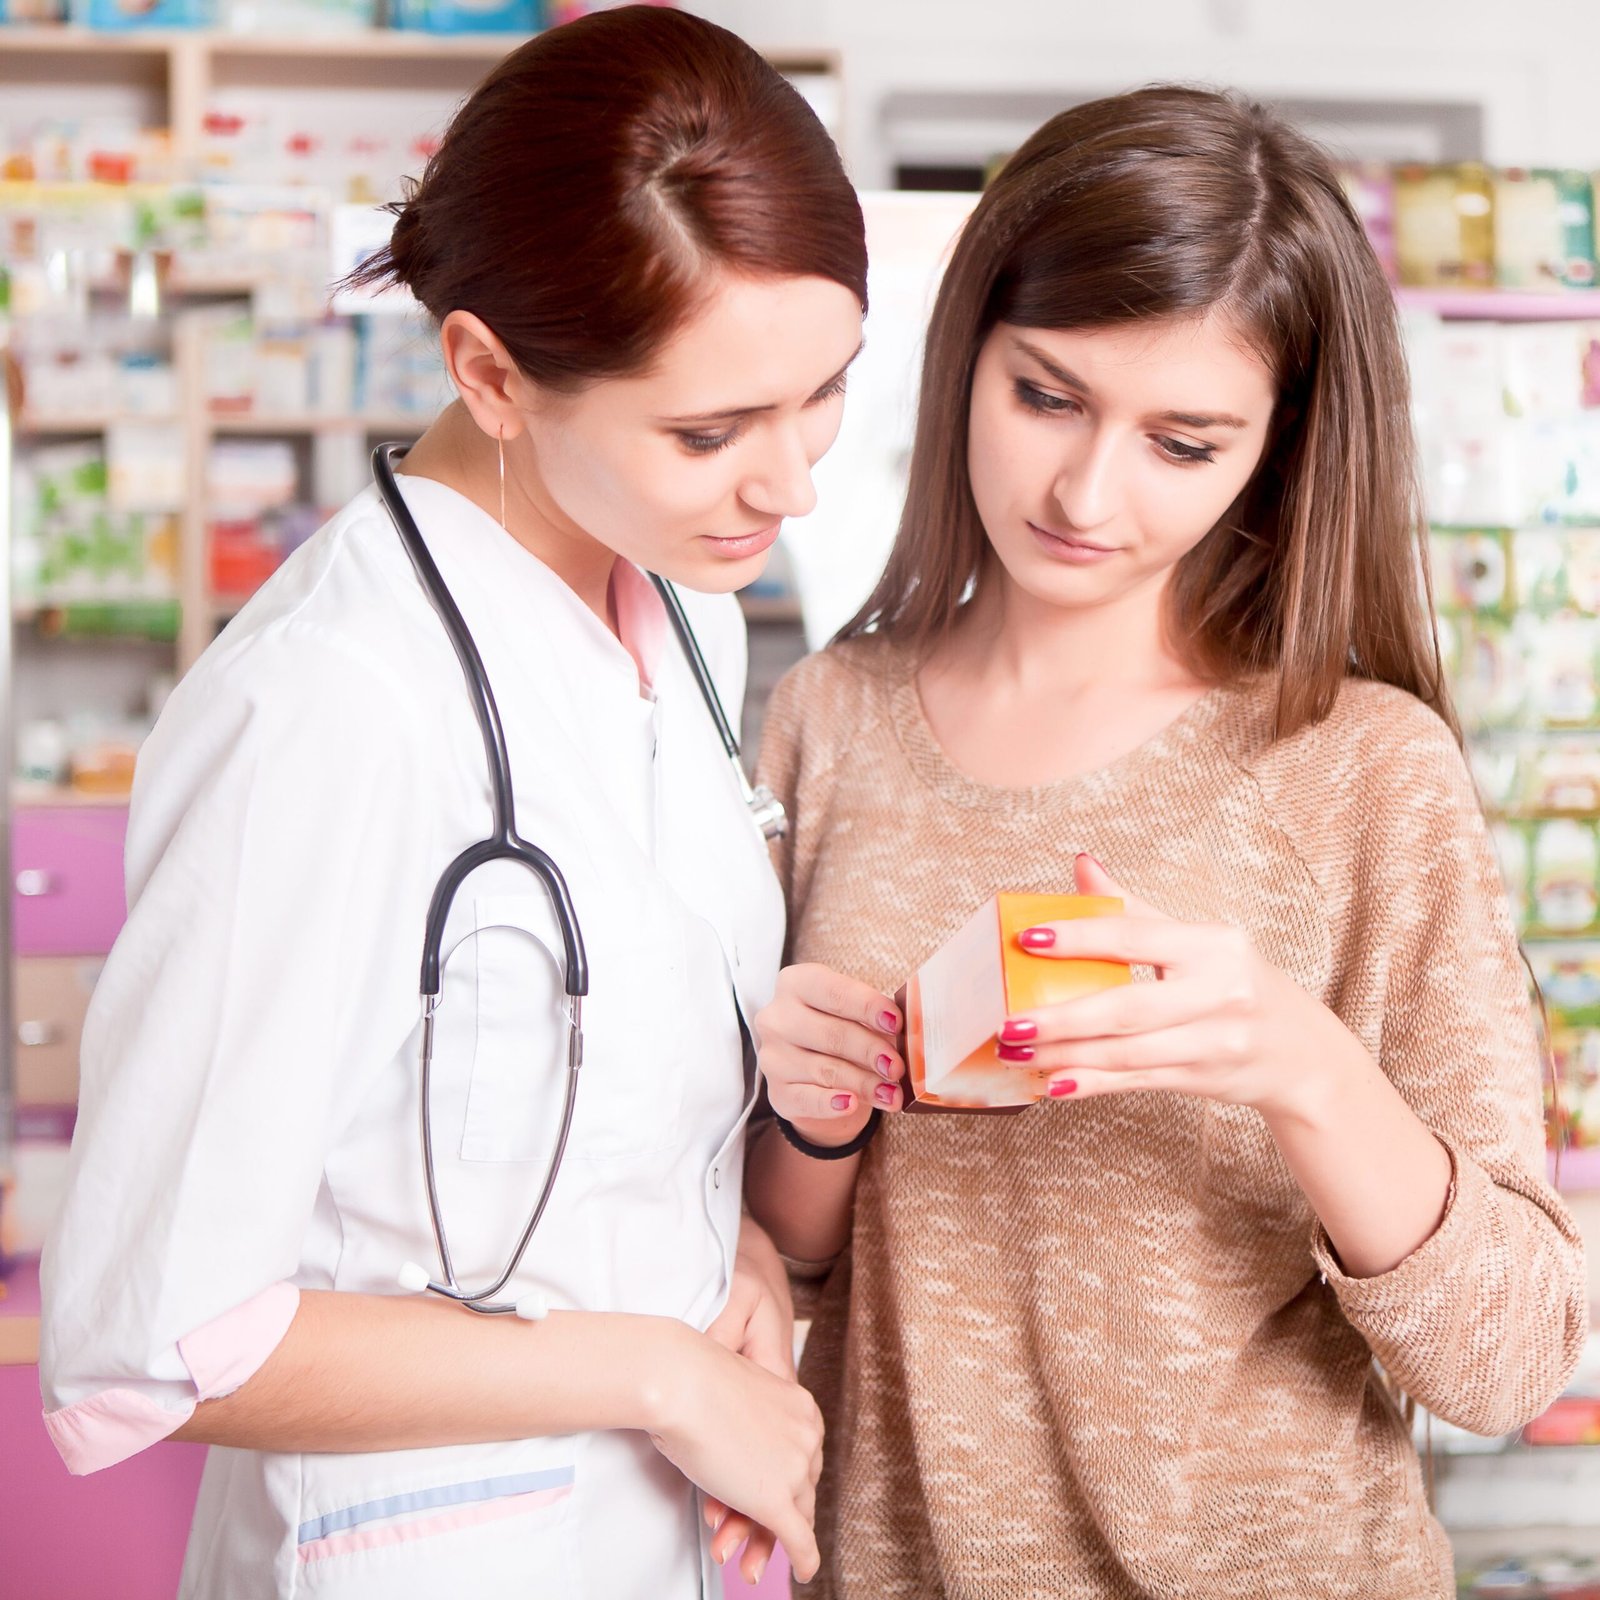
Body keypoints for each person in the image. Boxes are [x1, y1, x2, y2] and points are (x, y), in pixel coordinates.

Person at [40, 9, 865, 1596]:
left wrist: (740, 1254)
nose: (791, 484)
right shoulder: (330, 703)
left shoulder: (681, 610)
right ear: (489, 369)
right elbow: (166, 1336)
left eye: (820, 394)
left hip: (665, 1540)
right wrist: (654, 1371)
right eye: (712, 431)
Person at [744, 86, 1588, 1599]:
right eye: (1047, 397)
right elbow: (789, 1274)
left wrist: (1297, 1060)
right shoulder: (824, 725)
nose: (1083, 493)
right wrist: (812, 1122)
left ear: (1275, 451)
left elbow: (1508, 1360)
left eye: (1183, 442)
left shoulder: (1361, 767)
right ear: (966, 360)